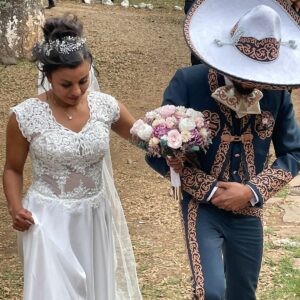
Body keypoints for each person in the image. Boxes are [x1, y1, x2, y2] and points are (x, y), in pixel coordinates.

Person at [147, 1, 300, 299]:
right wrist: (210, 190)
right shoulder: (189, 82)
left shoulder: (277, 95)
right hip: (201, 206)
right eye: (247, 72)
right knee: (211, 292)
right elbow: (154, 151)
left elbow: (293, 153)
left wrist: (252, 191)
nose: (255, 81)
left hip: (249, 209)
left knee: (243, 292)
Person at [3, 15, 142, 300]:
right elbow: (13, 169)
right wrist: (15, 208)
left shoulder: (106, 106)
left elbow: (143, 138)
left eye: (83, 80)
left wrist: (175, 136)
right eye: (66, 85)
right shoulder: (25, 116)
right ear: (48, 77)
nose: (77, 91)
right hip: (46, 220)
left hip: (93, 217)